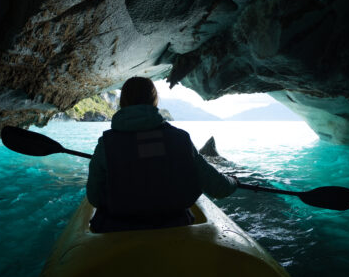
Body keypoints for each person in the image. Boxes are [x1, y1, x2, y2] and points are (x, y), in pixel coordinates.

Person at [86, 77, 238, 233]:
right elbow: (219, 188)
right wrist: (234, 181)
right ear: (154, 101)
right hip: (175, 229)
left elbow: (94, 197)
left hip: (118, 230)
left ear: (123, 102)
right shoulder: (180, 139)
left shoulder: (106, 144)